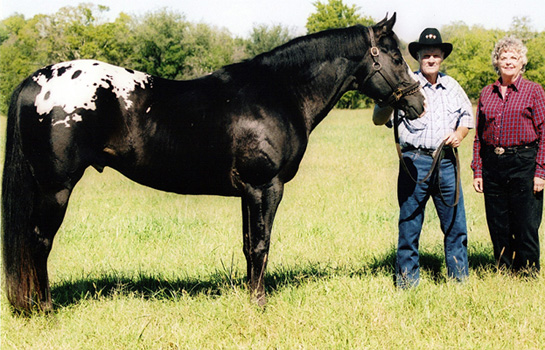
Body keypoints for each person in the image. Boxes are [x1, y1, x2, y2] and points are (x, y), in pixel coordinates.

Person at [373, 28, 474, 288]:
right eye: (426, 55)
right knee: (410, 224)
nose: (431, 59)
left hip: (447, 163)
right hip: (414, 163)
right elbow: (378, 119)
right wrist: (388, 100)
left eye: (435, 55)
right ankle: (407, 282)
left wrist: (459, 134)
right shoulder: (404, 84)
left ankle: (459, 280)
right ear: (418, 56)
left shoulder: (452, 86)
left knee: (455, 224)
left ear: (442, 58)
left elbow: (466, 117)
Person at [471, 36, 545, 276]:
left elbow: (544, 133)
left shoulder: (534, 91)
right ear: (497, 62)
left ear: (522, 62)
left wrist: (541, 172)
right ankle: (504, 271)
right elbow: (479, 137)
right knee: (498, 223)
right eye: (504, 57)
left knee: (525, 223)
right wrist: (478, 170)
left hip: (524, 161)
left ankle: (528, 273)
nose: (509, 62)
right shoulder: (486, 93)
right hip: (493, 164)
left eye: (514, 57)